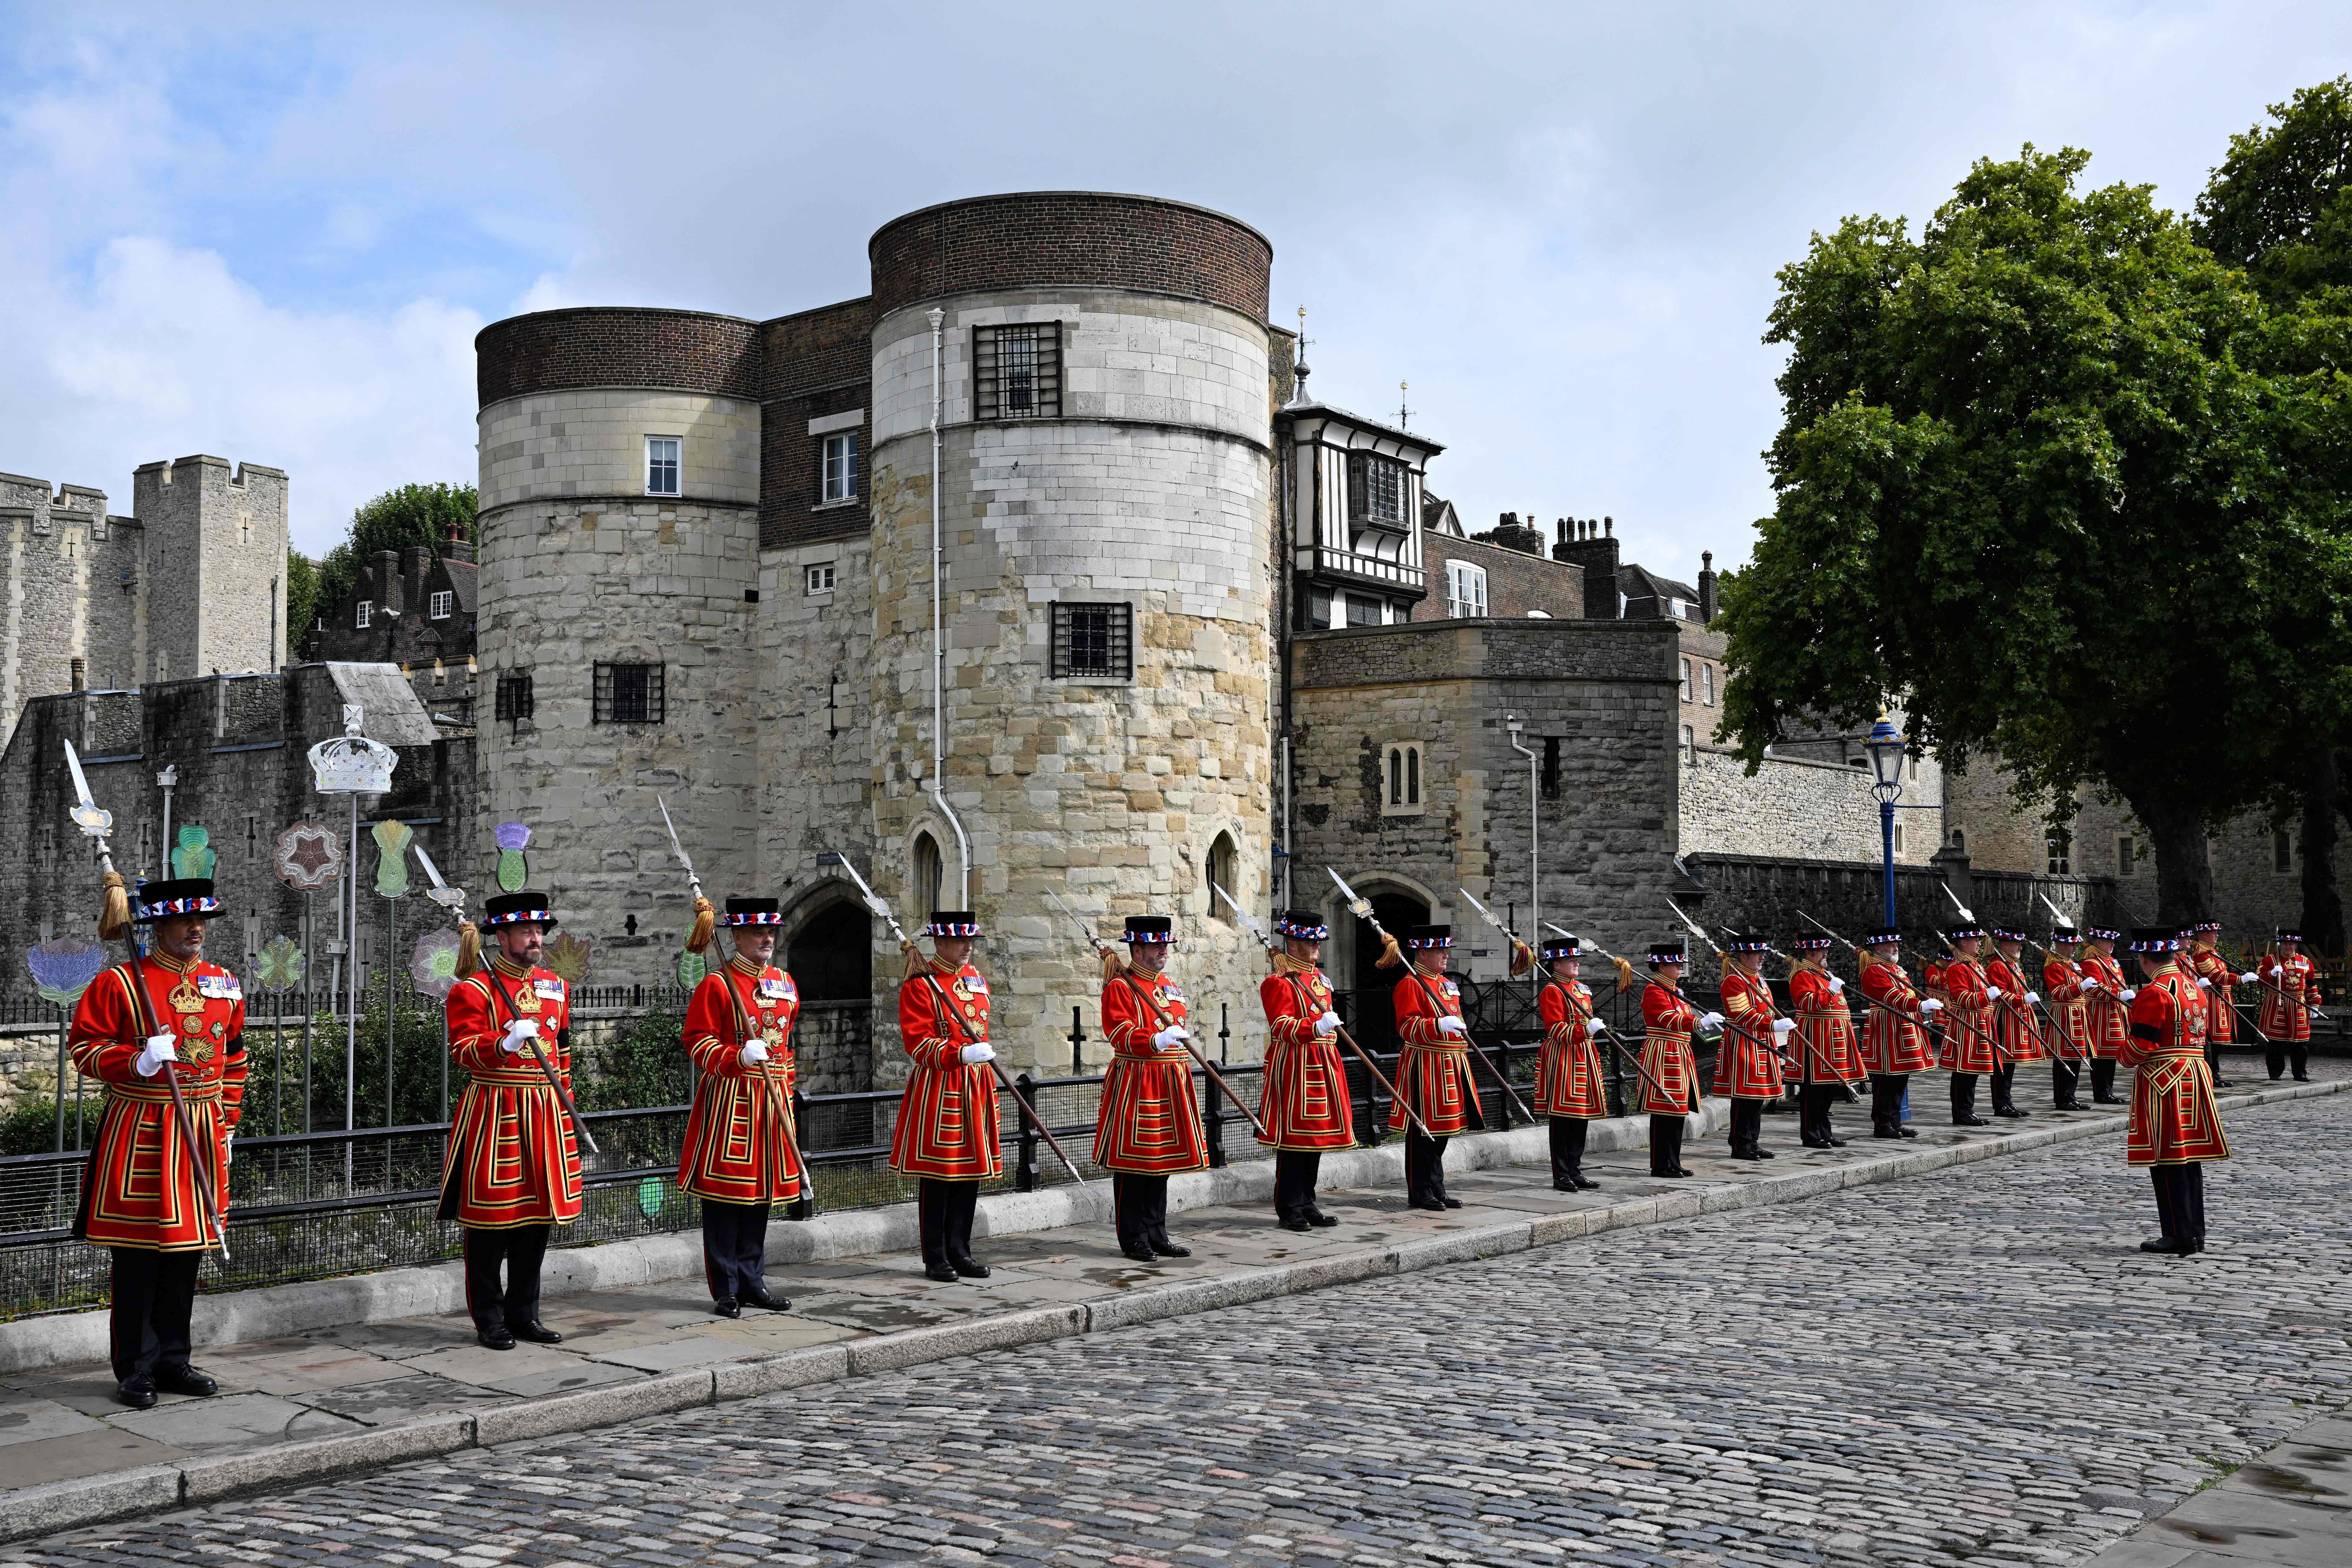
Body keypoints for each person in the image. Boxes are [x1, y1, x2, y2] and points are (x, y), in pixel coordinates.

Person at [68, 875, 247, 1408]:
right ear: (158, 926)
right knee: (139, 1256)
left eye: (201, 920)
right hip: (144, 1125)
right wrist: (138, 1060)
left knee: (187, 1252)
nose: (196, 929)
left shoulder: (224, 982)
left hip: (202, 1126)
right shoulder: (121, 983)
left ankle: (174, 1359)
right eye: (185, 920)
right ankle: (135, 1367)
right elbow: (85, 1049)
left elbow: (235, 1058)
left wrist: (228, 1123)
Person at [441, 891, 582, 1350]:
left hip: (545, 1111)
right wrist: (502, 1044)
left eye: (540, 930)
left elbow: (562, 1053)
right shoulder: (474, 988)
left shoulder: (555, 986)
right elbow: (462, 1051)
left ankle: (525, 1314)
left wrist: (566, 1107)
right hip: (496, 1109)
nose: (536, 938)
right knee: (490, 1224)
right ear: (501, 936)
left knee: (536, 1221)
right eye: (526, 931)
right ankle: (489, 1318)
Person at [678, 897, 804, 1317]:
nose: (767, 938)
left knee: (760, 1197)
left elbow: (788, 1044)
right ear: (736, 936)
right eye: (757, 932)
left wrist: (787, 1086)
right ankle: (726, 1288)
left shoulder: (785, 982)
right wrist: (737, 1056)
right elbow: (697, 1041)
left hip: (772, 1099)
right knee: (726, 1197)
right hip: (731, 1101)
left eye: (771, 931)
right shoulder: (718, 983)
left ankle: (753, 1281)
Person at [890, 910, 1001, 1282]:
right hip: (941, 1085)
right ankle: (935, 1256)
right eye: (959, 941)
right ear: (940, 943)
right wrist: (960, 1054)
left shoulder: (976, 979)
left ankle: (961, 1250)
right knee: (939, 1176)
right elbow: (918, 1044)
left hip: (976, 1084)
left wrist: (978, 1055)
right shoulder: (921, 984)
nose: (967, 947)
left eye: (970, 940)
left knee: (969, 1173)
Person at [1096, 914, 1209, 1261]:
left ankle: (1157, 1233)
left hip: (1170, 1080)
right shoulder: (1121, 986)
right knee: (1135, 1164)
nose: (1164, 951)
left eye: (1165, 945)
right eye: (1157, 945)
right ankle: (1133, 1238)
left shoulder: (1169, 985)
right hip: (1138, 1080)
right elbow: (1119, 1033)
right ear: (1137, 949)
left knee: (1161, 1163)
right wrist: (1155, 1040)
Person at [2122, 927, 2228, 1254]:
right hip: (2194, 1074)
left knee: (2167, 1158)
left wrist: (2123, 1055)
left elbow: (2141, 1045)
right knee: (2189, 1157)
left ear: (2144, 959)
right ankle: (2195, 1232)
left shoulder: (2155, 992)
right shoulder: (2193, 987)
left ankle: (2178, 1234)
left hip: (2164, 1080)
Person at [1256, 908, 1354, 1230]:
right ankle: (1289, 1207)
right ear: (1292, 943)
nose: (1316, 947)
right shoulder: (1278, 981)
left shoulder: (1319, 980)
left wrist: (1326, 1029)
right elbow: (1281, 1026)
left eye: (1317, 942)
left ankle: (1308, 1202)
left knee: (1316, 1140)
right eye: (1310, 943)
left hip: (1323, 1063)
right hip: (1296, 1066)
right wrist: (1316, 1027)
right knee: (1294, 1141)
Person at [1388, 922, 1480, 1210]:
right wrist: (1438, 1025)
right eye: (1439, 950)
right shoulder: (1411, 983)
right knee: (1423, 1133)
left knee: (1443, 1132)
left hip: (1450, 1062)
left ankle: (1437, 1187)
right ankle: (1420, 1191)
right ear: (1423, 953)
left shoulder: (1445, 984)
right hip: (1425, 1064)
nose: (1446, 955)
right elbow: (1407, 1028)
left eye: (1446, 950)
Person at [1534, 933, 1616, 1189]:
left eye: (1577, 959)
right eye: (1571, 960)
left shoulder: (1579, 988)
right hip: (1563, 1057)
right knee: (1563, 1118)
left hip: (1583, 1055)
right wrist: (1586, 1030)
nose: (1577, 963)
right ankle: (1561, 1174)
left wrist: (1590, 1029)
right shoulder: (1552, 991)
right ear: (1556, 964)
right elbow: (1556, 1029)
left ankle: (1575, 1169)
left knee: (1581, 1116)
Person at [1712, 931, 1788, 1161]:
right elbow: (1742, 1014)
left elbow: (1767, 1008)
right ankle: (1740, 1144)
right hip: (1744, 1040)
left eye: (1763, 953)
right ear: (1744, 956)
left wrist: (1773, 1023)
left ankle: (1753, 1141)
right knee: (1745, 1096)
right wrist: (1773, 1025)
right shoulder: (1734, 981)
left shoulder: (1758, 979)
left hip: (1762, 1040)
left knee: (1759, 1096)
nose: (1762, 957)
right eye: (1758, 953)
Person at [1856, 926, 1934, 1139]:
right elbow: (1891, 997)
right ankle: (1882, 1123)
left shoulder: (1896, 969)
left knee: (1901, 1076)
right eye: (1891, 945)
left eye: (1896, 944)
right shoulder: (1874, 970)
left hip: (1904, 1024)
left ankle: (1895, 1121)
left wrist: (1919, 1004)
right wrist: (1920, 1005)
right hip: (1887, 1026)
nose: (1896, 948)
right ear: (1878, 948)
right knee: (1887, 1077)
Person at [1641, 940, 1710, 1177]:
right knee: (1665, 1110)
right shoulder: (1654, 990)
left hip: (1680, 1052)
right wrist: (1700, 1022)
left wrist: (1703, 1022)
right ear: (1662, 967)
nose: (1681, 968)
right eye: (1677, 965)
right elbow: (1669, 1019)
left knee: (1678, 1111)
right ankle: (1660, 1164)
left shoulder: (1676, 991)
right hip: (1664, 1053)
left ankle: (1674, 1160)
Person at [1789, 932, 1863, 1147]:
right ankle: (1811, 1135)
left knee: (1830, 1087)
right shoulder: (1803, 975)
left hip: (1832, 1038)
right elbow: (1809, 1004)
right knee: (1814, 1090)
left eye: (1825, 950)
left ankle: (1825, 1132)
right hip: (1816, 1037)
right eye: (1821, 951)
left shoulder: (1823, 973)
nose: (1825, 954)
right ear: (1809, 953)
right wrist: (1831, 990)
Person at [1936, 924, 2001, 1126]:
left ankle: (1968, 1110)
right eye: (1976, 940)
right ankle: (1961, 1112)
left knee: (1973, 1071)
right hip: (1966, 1023)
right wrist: (1987, 996)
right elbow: (1963, 998)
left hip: (1980, 1022)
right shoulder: (1957, 968)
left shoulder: (1975, 966)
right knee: (1964, 1070)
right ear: (1964, 942)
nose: (1980, 944)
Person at [1984, 927, 2042, 1119]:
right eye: (2017, 944)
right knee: (2002, 1063)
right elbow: (2000, 994)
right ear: (2006, 944)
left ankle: (2007, 1101)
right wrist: (2023, 1000)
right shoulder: (1997, 965)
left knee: (2010, 1063)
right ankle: (2001, 1104)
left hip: (2014, 1018)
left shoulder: (2011, 964)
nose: (2020, 947)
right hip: (2003, 1018)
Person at [2075, 925, 2132, 1104]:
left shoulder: (2111, 961)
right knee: (2101, 1055)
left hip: (2115, 1012)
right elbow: (2096, 989)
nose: (2113, 945)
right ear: (2098, 942)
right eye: (2109, 941)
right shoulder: (2091, 963)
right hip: (2101, 1014)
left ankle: (2108, 1091)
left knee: (2112, 1054)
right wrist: (2119, 995)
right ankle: (2102, 1093)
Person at [2258, 927, 2321, 1082]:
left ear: (2296, 945)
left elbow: (2311, 985)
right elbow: (2259, 981)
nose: (2288, 946)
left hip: (2298, 1004)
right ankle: (2275, 1072)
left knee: (2301, 1042)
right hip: (2277, 1003)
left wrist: (2315, 1004)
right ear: (2280, 944)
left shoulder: (2305, 962)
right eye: (2285, 943)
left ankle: (2300, 1073)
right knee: (2276, 1042)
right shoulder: (2270, 961)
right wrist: (2272, 973)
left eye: (2291, 943)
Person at [2042, 922, 2094, 1111]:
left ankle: (2071, 1096)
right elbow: (2058, 993)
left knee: (2077, 1056)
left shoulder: (2073, 965)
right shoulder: (2054, 966)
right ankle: (2062, 1098)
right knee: (2064, 1057)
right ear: (2061, 945)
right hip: (2065, 1014)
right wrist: (2081, 987)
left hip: (2078, 1013)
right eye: (2072, 945)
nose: (2075, 948)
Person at [2179, 920, 2236, 1087]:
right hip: (2209, 1000)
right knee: (2209, 1040)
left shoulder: (2208, 954)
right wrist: (2241, 979)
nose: (2217, 935)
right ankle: (2210, 1074)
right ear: (2204, 935)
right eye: (2214, 933)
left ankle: (2214, 1073)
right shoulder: (2201, 955)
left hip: (2218, 998)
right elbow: (2216, 976)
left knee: (2215, 1042)